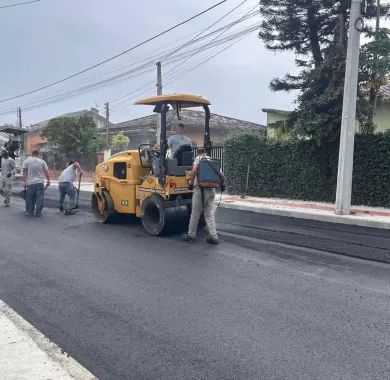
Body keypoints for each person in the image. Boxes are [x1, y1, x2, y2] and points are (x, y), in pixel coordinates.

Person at [183, 148, 225, 244]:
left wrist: (191, 182)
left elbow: (194, 171)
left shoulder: (199, 159)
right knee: (209, 213)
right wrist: (221, 184)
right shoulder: (212, 160)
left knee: (195, 213)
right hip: (212, 190)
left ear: (198, 153)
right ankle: (213, 236)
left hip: (201, 190)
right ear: (206, 153)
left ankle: (191, 235)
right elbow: (222, 175)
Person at [22, 149, 50, 217]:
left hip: (30, 183)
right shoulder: (42, 161)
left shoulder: (26, 161)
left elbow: (24, 172)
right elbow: (46, 172)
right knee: (39, 198)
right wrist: (48, 180)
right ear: (38, 154)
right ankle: (38, 212)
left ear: (32, 154)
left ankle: (30, 212)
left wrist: (24, 181)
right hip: (39, 182)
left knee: (30, 198)